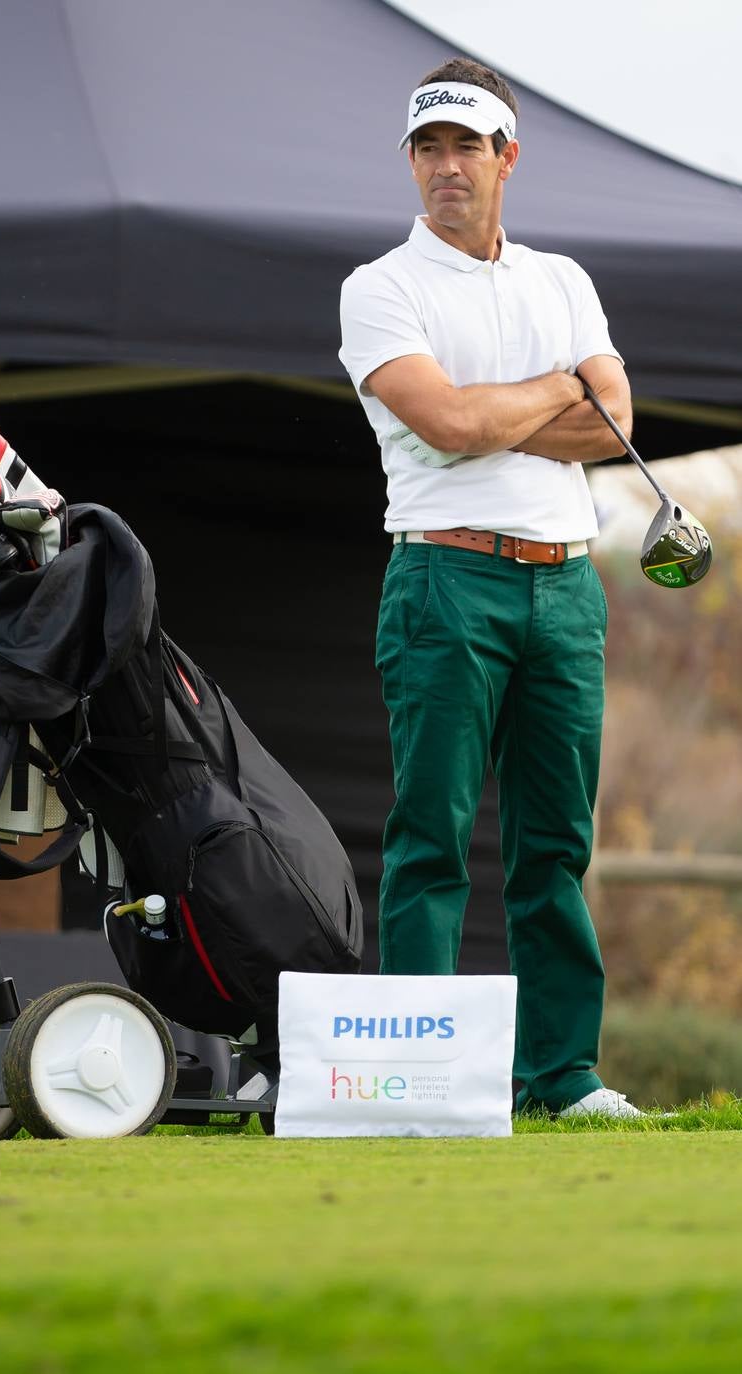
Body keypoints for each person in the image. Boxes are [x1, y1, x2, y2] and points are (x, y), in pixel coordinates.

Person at [339, 57, 639, 1117]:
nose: (445, 167)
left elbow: (615, 424)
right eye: (426, 148)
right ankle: (415, 1077)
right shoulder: (381, 287)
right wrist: (557, 388)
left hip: (564, 585)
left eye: (465, 146)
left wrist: (499, 410)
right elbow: (447, 423)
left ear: (506, 157)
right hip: (444, 576)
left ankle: (561, 1075)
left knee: (555, 844)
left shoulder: (562, 280)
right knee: (431, 833)